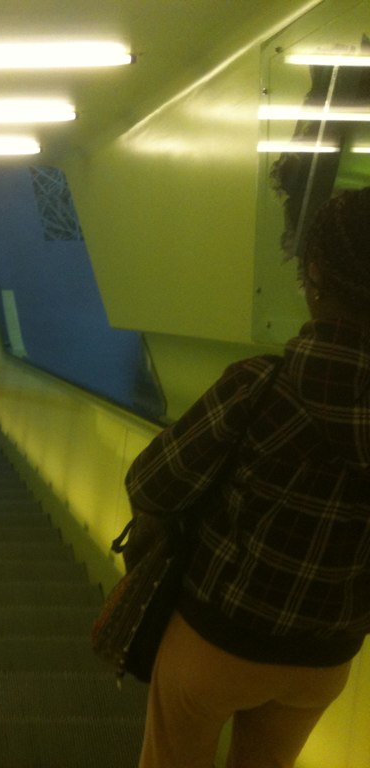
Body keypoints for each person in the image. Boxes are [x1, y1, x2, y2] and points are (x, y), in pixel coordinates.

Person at [125, 188, 370, 768]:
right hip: (326, 656)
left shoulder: (259, 386)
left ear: (314, 275)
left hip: (218, 638)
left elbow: (152, 485)